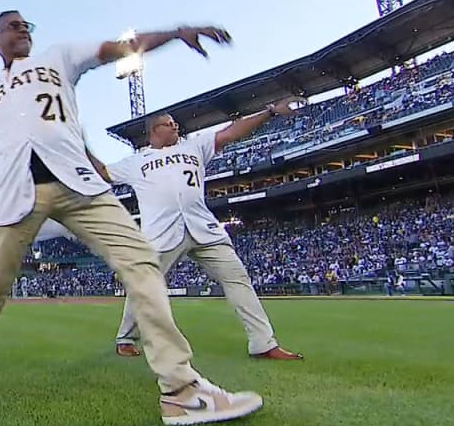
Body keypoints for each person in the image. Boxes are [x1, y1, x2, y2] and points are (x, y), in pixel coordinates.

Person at [0, 10, 263, 426]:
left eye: (26, 25)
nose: (24, 30)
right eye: (14, 25)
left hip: (79, 184)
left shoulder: (58, 57)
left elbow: (119, 48)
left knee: (142, 261)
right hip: (15, 194)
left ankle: (180, 391)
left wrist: (176, 34)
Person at [88, 104, 305, 360]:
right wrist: (82, 147)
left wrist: (269, 112)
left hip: (204, 228)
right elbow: (103, 173)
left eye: (175, 123)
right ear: (153, 131)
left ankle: (263, 343)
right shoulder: (136, 161)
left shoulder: (194, 146)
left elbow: (230, 133)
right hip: (161, 234)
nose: (175, 126)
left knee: (238, 279)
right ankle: (125, 337)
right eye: (169, 124)